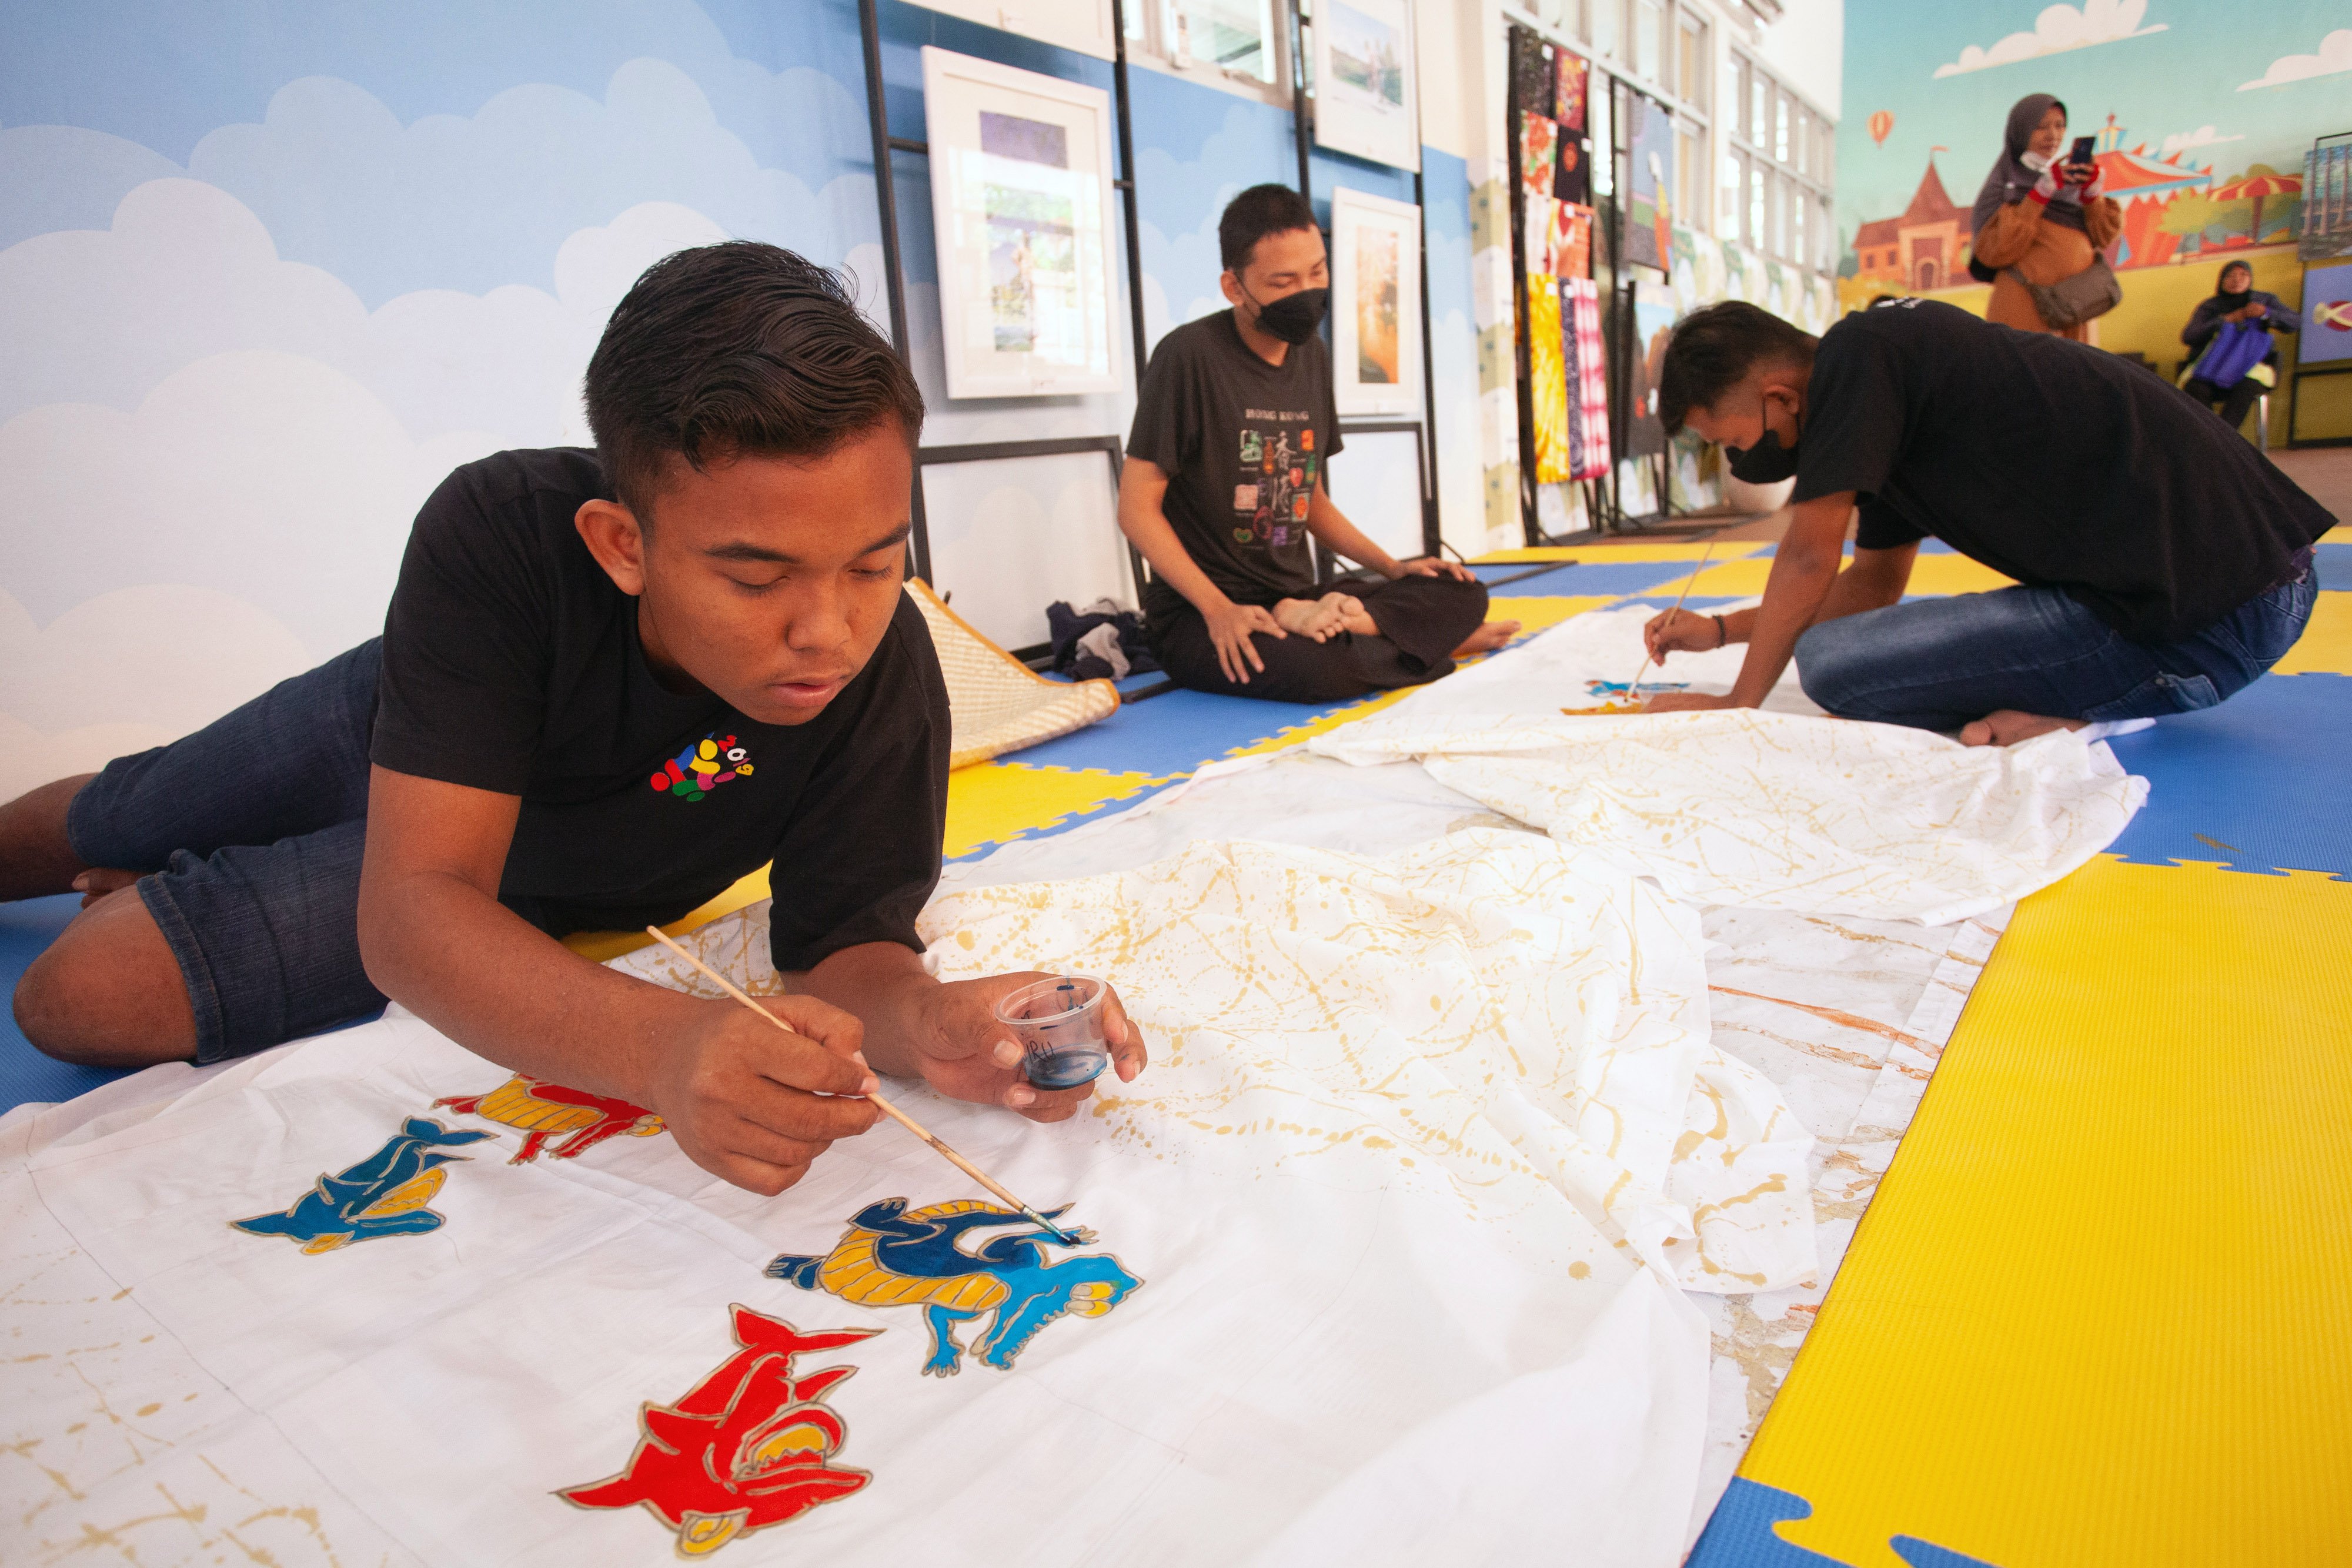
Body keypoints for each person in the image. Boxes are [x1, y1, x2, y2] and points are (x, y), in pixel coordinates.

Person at [0, 242, 1145, 1195]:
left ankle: (196, 874)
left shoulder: (881, 670)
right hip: (403, 754)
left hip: (526, 883)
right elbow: (411, 906)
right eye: (756, 579)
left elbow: (842, 950)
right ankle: (153, 851)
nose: (827, 632)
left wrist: (927, 1016)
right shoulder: (497, 531)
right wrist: (662, 1043)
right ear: (621, 544)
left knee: (77, 994)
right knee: (120, 812)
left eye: (871, 561)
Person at [1639, 299, 2329, 744]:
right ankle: (2066, 710)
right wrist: (1722, 631)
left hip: (2215, 622)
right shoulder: (1889, 391)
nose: (1734, 458)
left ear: (1780, 396)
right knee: (1844, 644)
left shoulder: (1858, 354)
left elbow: (1807, 560)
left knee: (1832, 665)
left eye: (1727, 440)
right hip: (2242, 590)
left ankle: (2085, 711)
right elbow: (1870, 585)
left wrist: (1738, 706)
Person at [1120, 184, 1513, 702]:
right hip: (1203, 614)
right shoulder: (1187, 357)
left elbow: (1310, 500)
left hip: (1303, 599)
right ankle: (1429, 644)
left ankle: (1396, 633)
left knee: (1461, 590)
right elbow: (1136, 510)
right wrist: (1219, 609)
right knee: (1322, 674)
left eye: (1317, 272)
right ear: (1234, 287)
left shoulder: (1313, 356)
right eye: (1283, 281)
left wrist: (1393, 568)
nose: (1306, 291)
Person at [1969, 93, 2120, 342]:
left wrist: (2093, 193)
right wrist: (2040, 193)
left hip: (2076, 306)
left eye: (2060, 126)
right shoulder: (2006, 186)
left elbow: (2104, 236)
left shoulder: (2068, 178)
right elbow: (1994, 251)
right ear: (2021, 132)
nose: (2053, 135)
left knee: (2077, 377)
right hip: (2027, 309)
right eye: (2041, 127)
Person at [2181, 259, 2301, 436]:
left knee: (2247, 386)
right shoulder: (2211, 306)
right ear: (2221, 280)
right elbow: (2189, 336)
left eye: (2243, 275)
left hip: (2251, 368)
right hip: (2212, 366)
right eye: (2231, 276)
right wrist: (2226, 320)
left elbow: (2295, 322)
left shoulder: (2264, 300)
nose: (2237, 280)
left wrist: (2266, 313)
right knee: (2196, 388)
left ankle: (2223, 438)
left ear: (2251, 279)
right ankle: (2212, 437)